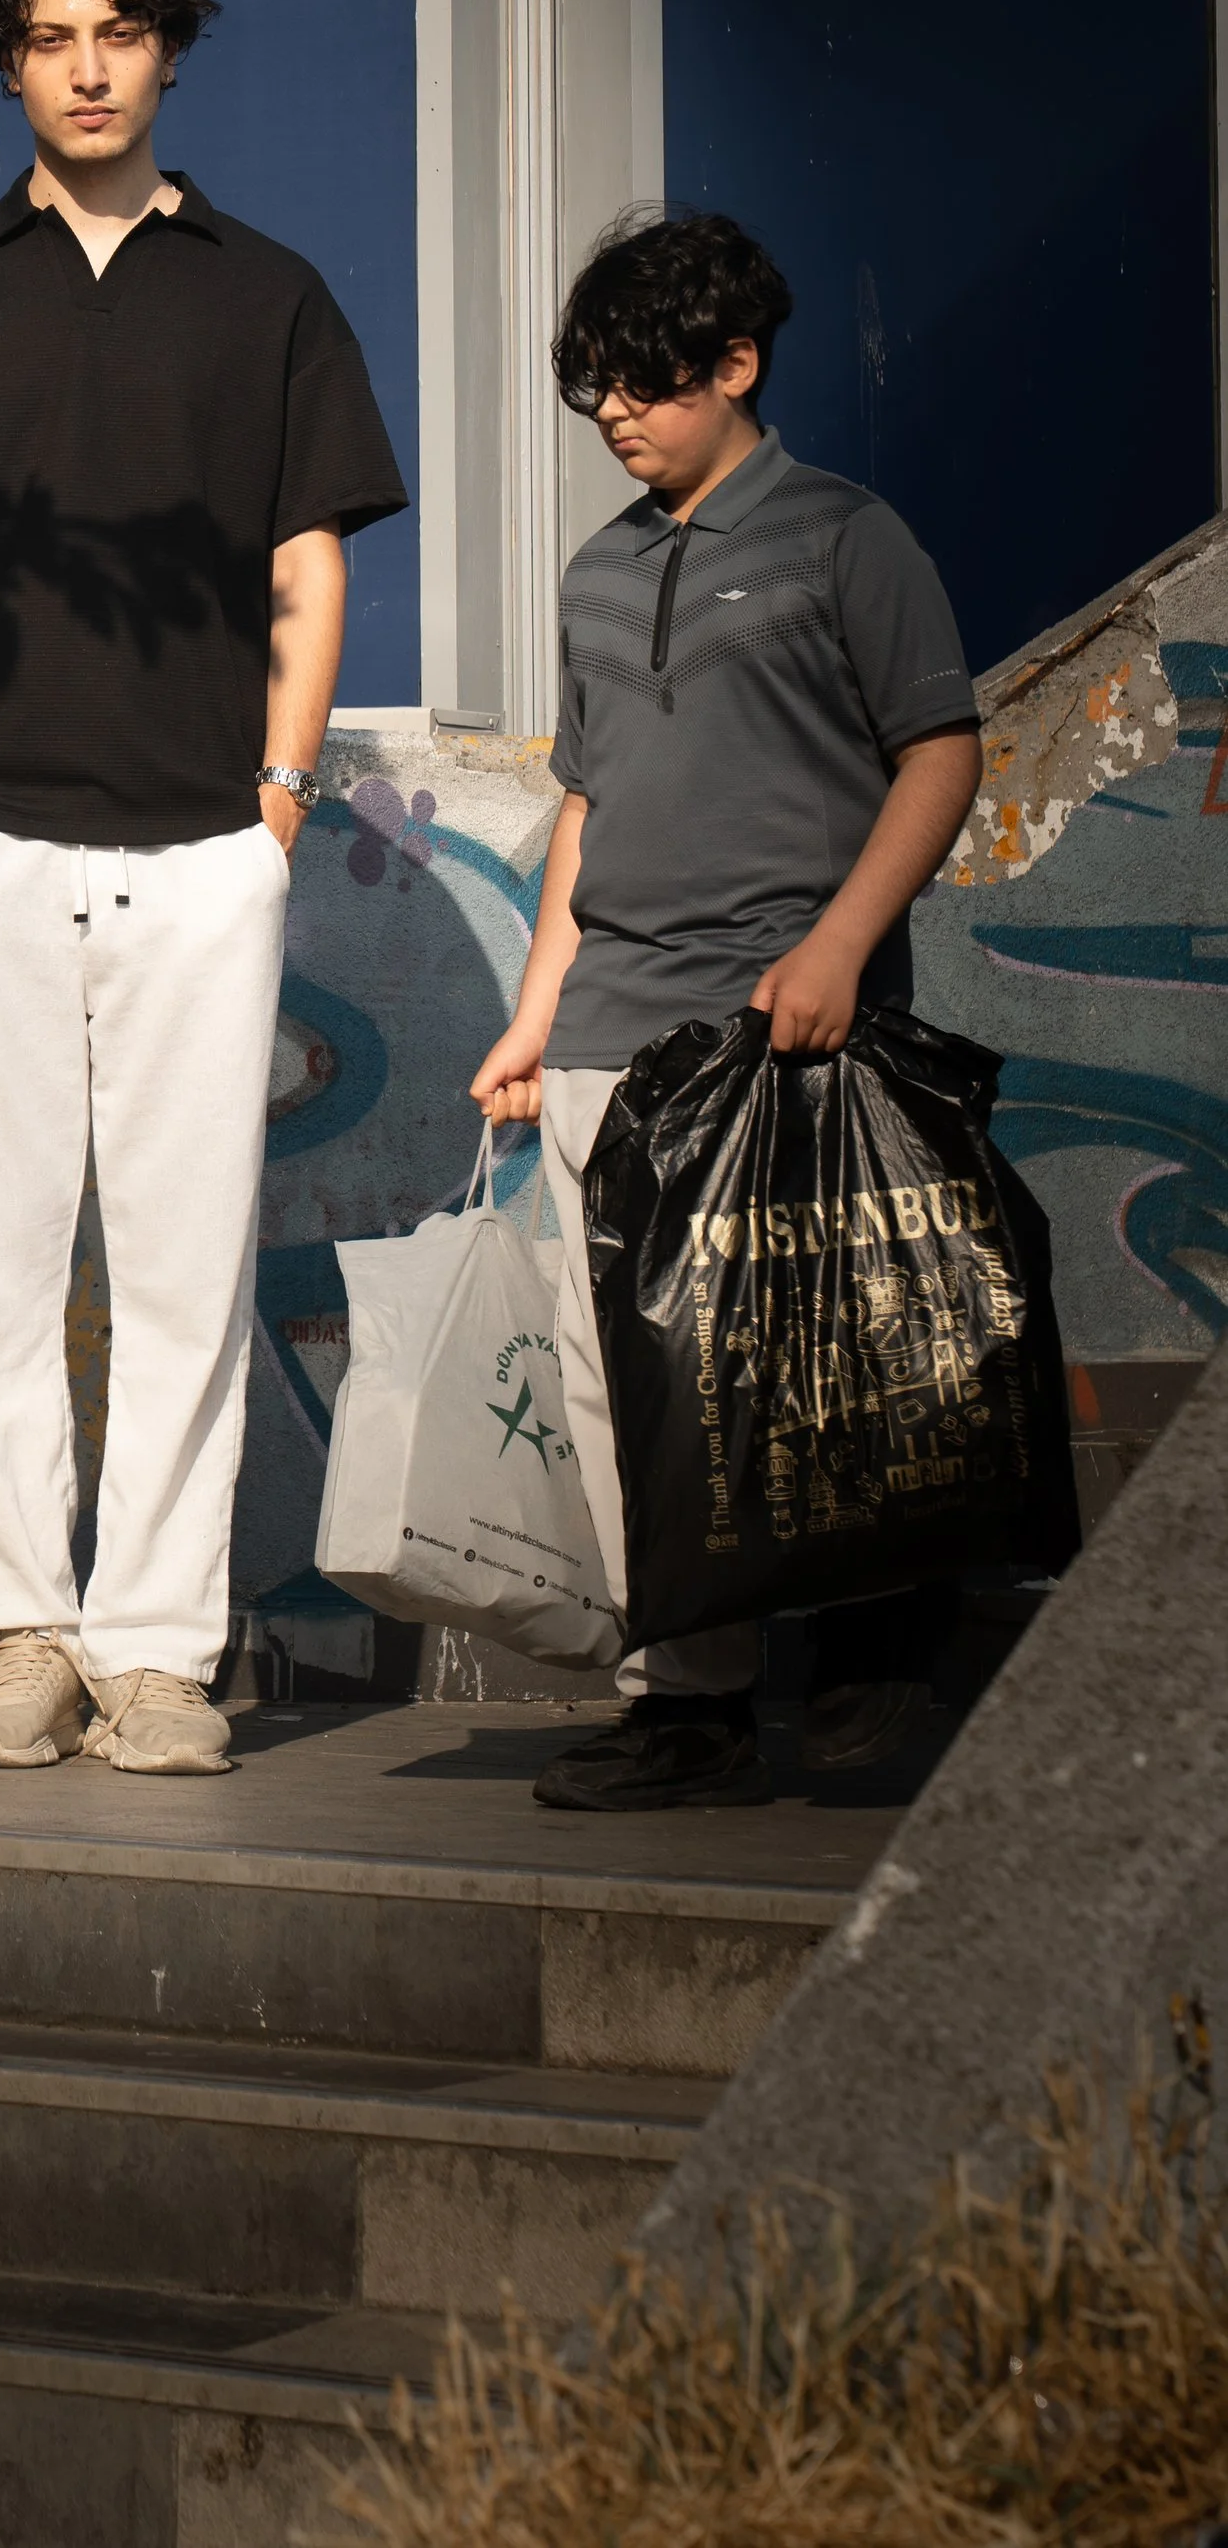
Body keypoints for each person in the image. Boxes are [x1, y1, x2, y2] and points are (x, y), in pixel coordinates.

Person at [0, 0, 407, 1776]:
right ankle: (18, 1641)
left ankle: (156, 1655)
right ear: (9, 61)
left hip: (203, 849)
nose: (84, 67)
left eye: (118, 33)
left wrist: (280, 798)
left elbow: (309, 561)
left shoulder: (267, 294)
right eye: (51, 36)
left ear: (168, 51)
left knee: (182, 1276)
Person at [470, 209, 984, 1813]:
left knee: (822, 1364)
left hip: (786, 1039)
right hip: (610, 1041)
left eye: (643, 382)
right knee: (625, 1393)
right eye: (595, 389)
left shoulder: (845, 536)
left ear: (737, 365)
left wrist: (839, 947)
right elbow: (585, 806)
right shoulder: (596, 572)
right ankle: (682, 1711)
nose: (614, 414)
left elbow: (942, 750)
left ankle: (868, 1659)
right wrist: (538, 1008)